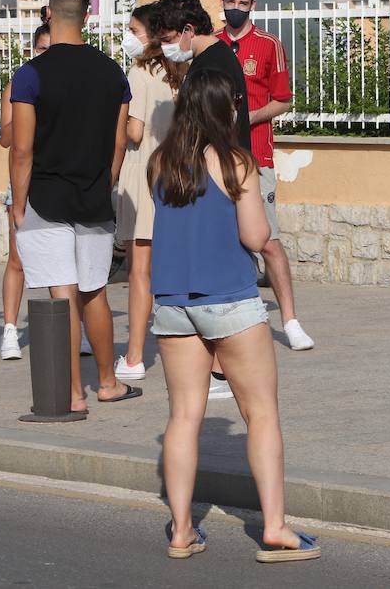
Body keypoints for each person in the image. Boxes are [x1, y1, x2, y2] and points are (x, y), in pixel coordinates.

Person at [149, 70, 320, 563]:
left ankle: (181, 531)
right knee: (261, 413)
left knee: (183, 416)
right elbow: (255, 238)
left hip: (173, 304)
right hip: (230, 298)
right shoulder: (235, 163)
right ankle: (275, 528)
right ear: (227, 111)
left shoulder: (163, 163)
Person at [10, 0, 139, 413]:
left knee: (61, 296)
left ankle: (71, 394)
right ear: (87, 15)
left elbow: (22, 149)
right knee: (95, 291)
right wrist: (106, 182)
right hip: (94, 197)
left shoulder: (30, 75)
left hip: (45, 198)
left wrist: (18, 201)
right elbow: (119, 145)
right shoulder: (112, 72)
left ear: (48, 13)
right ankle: (107, 383)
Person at [151, 0, 249, 399]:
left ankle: (222, 371)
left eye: (170, 37)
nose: (167, 46)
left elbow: (216, 125)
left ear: (189, 30)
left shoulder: (213, 65)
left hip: (215, 176)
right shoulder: (208, 61)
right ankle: (215, 368)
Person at [217, 0, 314, 351]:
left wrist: (248, 116)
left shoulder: (269, 45)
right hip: (218, 157)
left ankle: (290, 320)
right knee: (226, 238)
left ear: (253, 5)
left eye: (243, 3)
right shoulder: (213, 44)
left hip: (258, 156)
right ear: (222, 2)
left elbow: (284, 99)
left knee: (269, 241)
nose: (235, 9)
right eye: (230, 2)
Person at [114, 3, 185, 381]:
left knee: (140, 270)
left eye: (133, 29)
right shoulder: (181, 71)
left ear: (150, 33)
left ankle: (135, 356)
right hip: (177, 172)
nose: (129, 36)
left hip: (144, 174)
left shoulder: (140, 70)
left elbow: (135, 132)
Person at [0, 23, 51, 361]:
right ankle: (9, 330)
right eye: (41, 49)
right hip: (21, 182)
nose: (46, 55)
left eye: (52, 48)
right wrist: (26, 108)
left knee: (64, 262)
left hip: (55, 179)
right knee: (17, 259)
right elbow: (6, 138)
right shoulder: (17, 85)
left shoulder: (66, 87)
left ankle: (76, 330)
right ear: (33, 51)